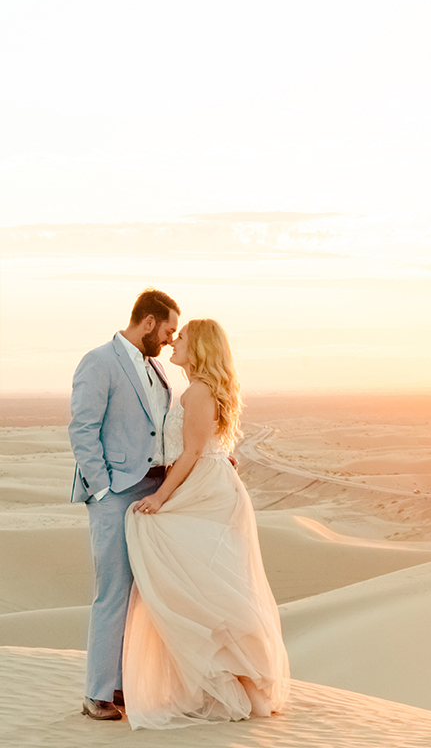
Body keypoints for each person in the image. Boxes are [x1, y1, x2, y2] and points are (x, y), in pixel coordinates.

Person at [122, 318, 290, 729]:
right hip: (213, 484)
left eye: (181, 338)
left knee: (180, 562)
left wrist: (160, 496)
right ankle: (232, 684)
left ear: (197, 348)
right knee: (214, 585)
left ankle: (237, 683)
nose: (173, 343)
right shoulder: (202, 389)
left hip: (206, 490)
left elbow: (194, 450)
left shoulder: (197, 391)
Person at [68, 289, 180, 721]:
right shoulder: (99, 361)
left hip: (154, 492)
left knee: (141, 592)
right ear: (148, 322)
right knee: (113, 591)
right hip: (115, 493)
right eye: (168, 330)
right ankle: (97, 692)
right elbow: (83, 429)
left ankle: (122, 684)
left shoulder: (155, 369)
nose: (170, 340)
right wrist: (102, 490)